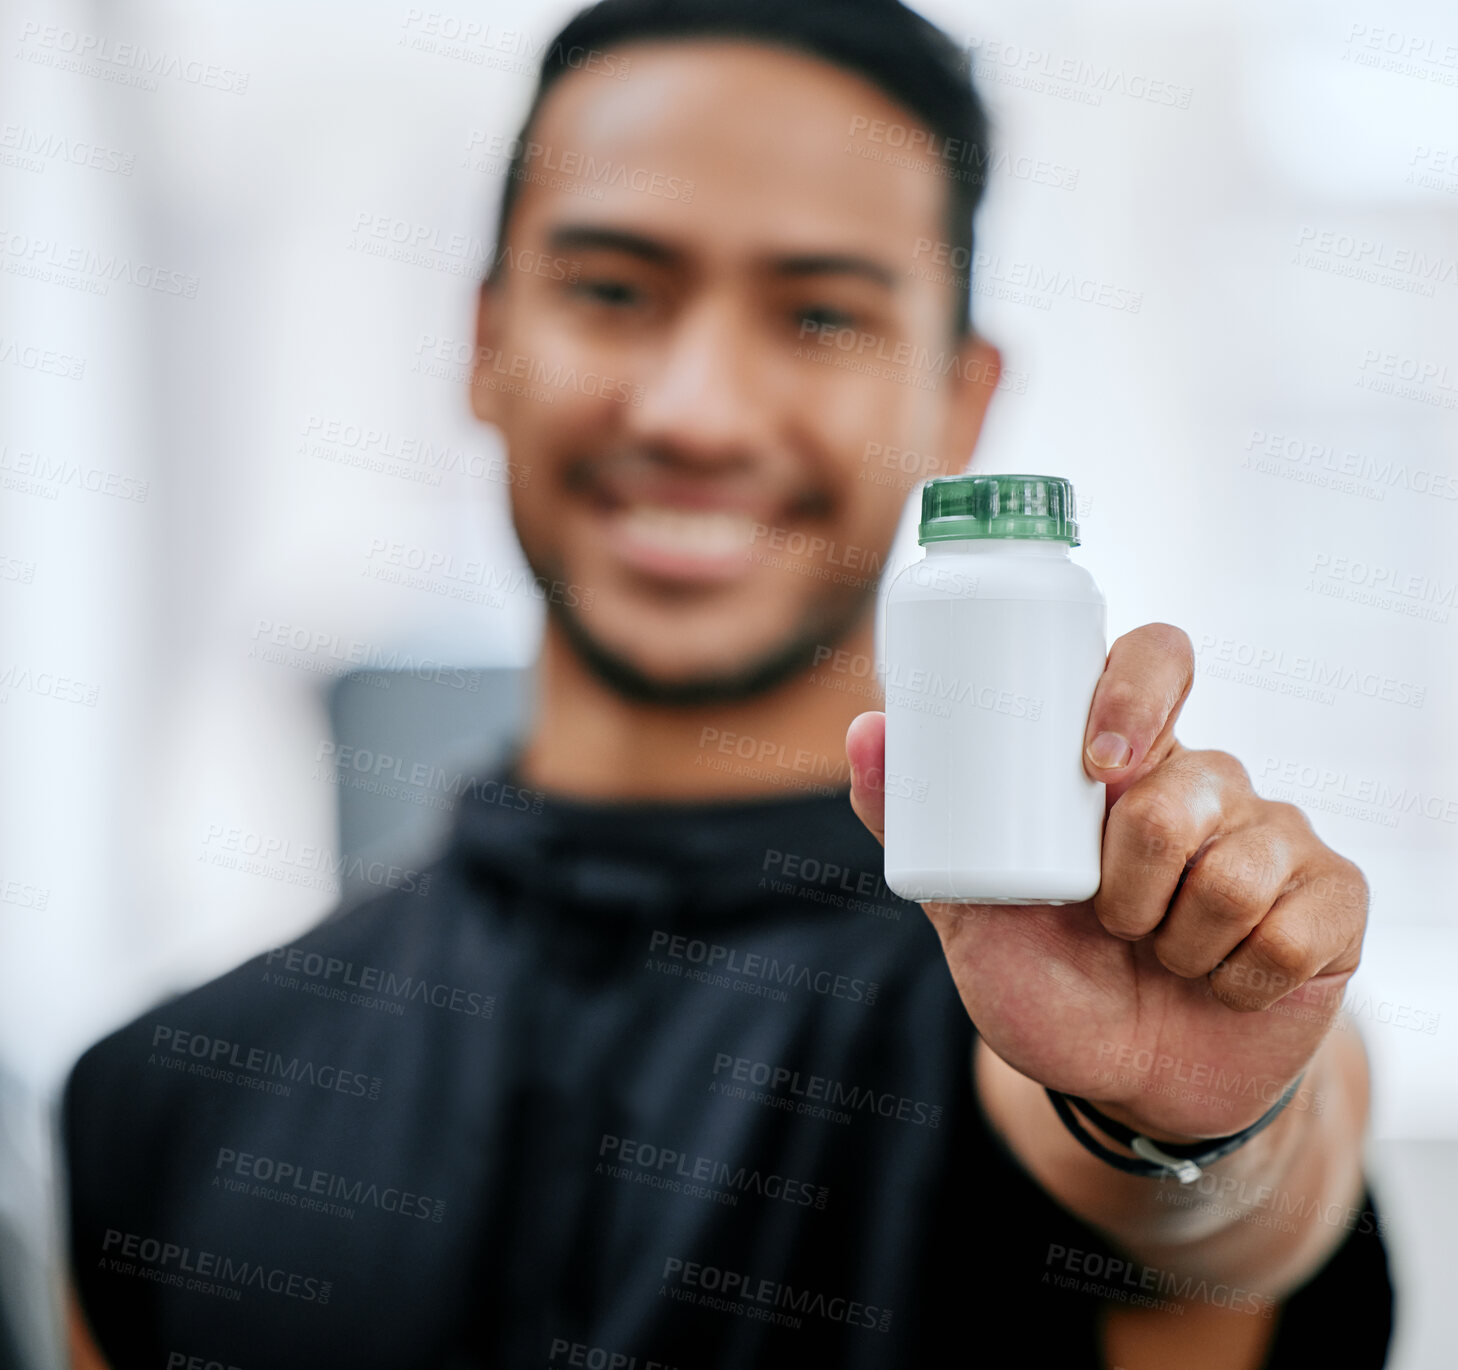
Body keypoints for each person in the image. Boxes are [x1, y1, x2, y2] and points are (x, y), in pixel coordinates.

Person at [62, 1, 1395, 1366]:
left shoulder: (1064, 996)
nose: (694, 407)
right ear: (483, 344)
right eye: (612, 290)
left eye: (819, 313)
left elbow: (1224, 1208)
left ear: (959, 403)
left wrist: (1198, 1129)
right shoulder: (156, 1102)